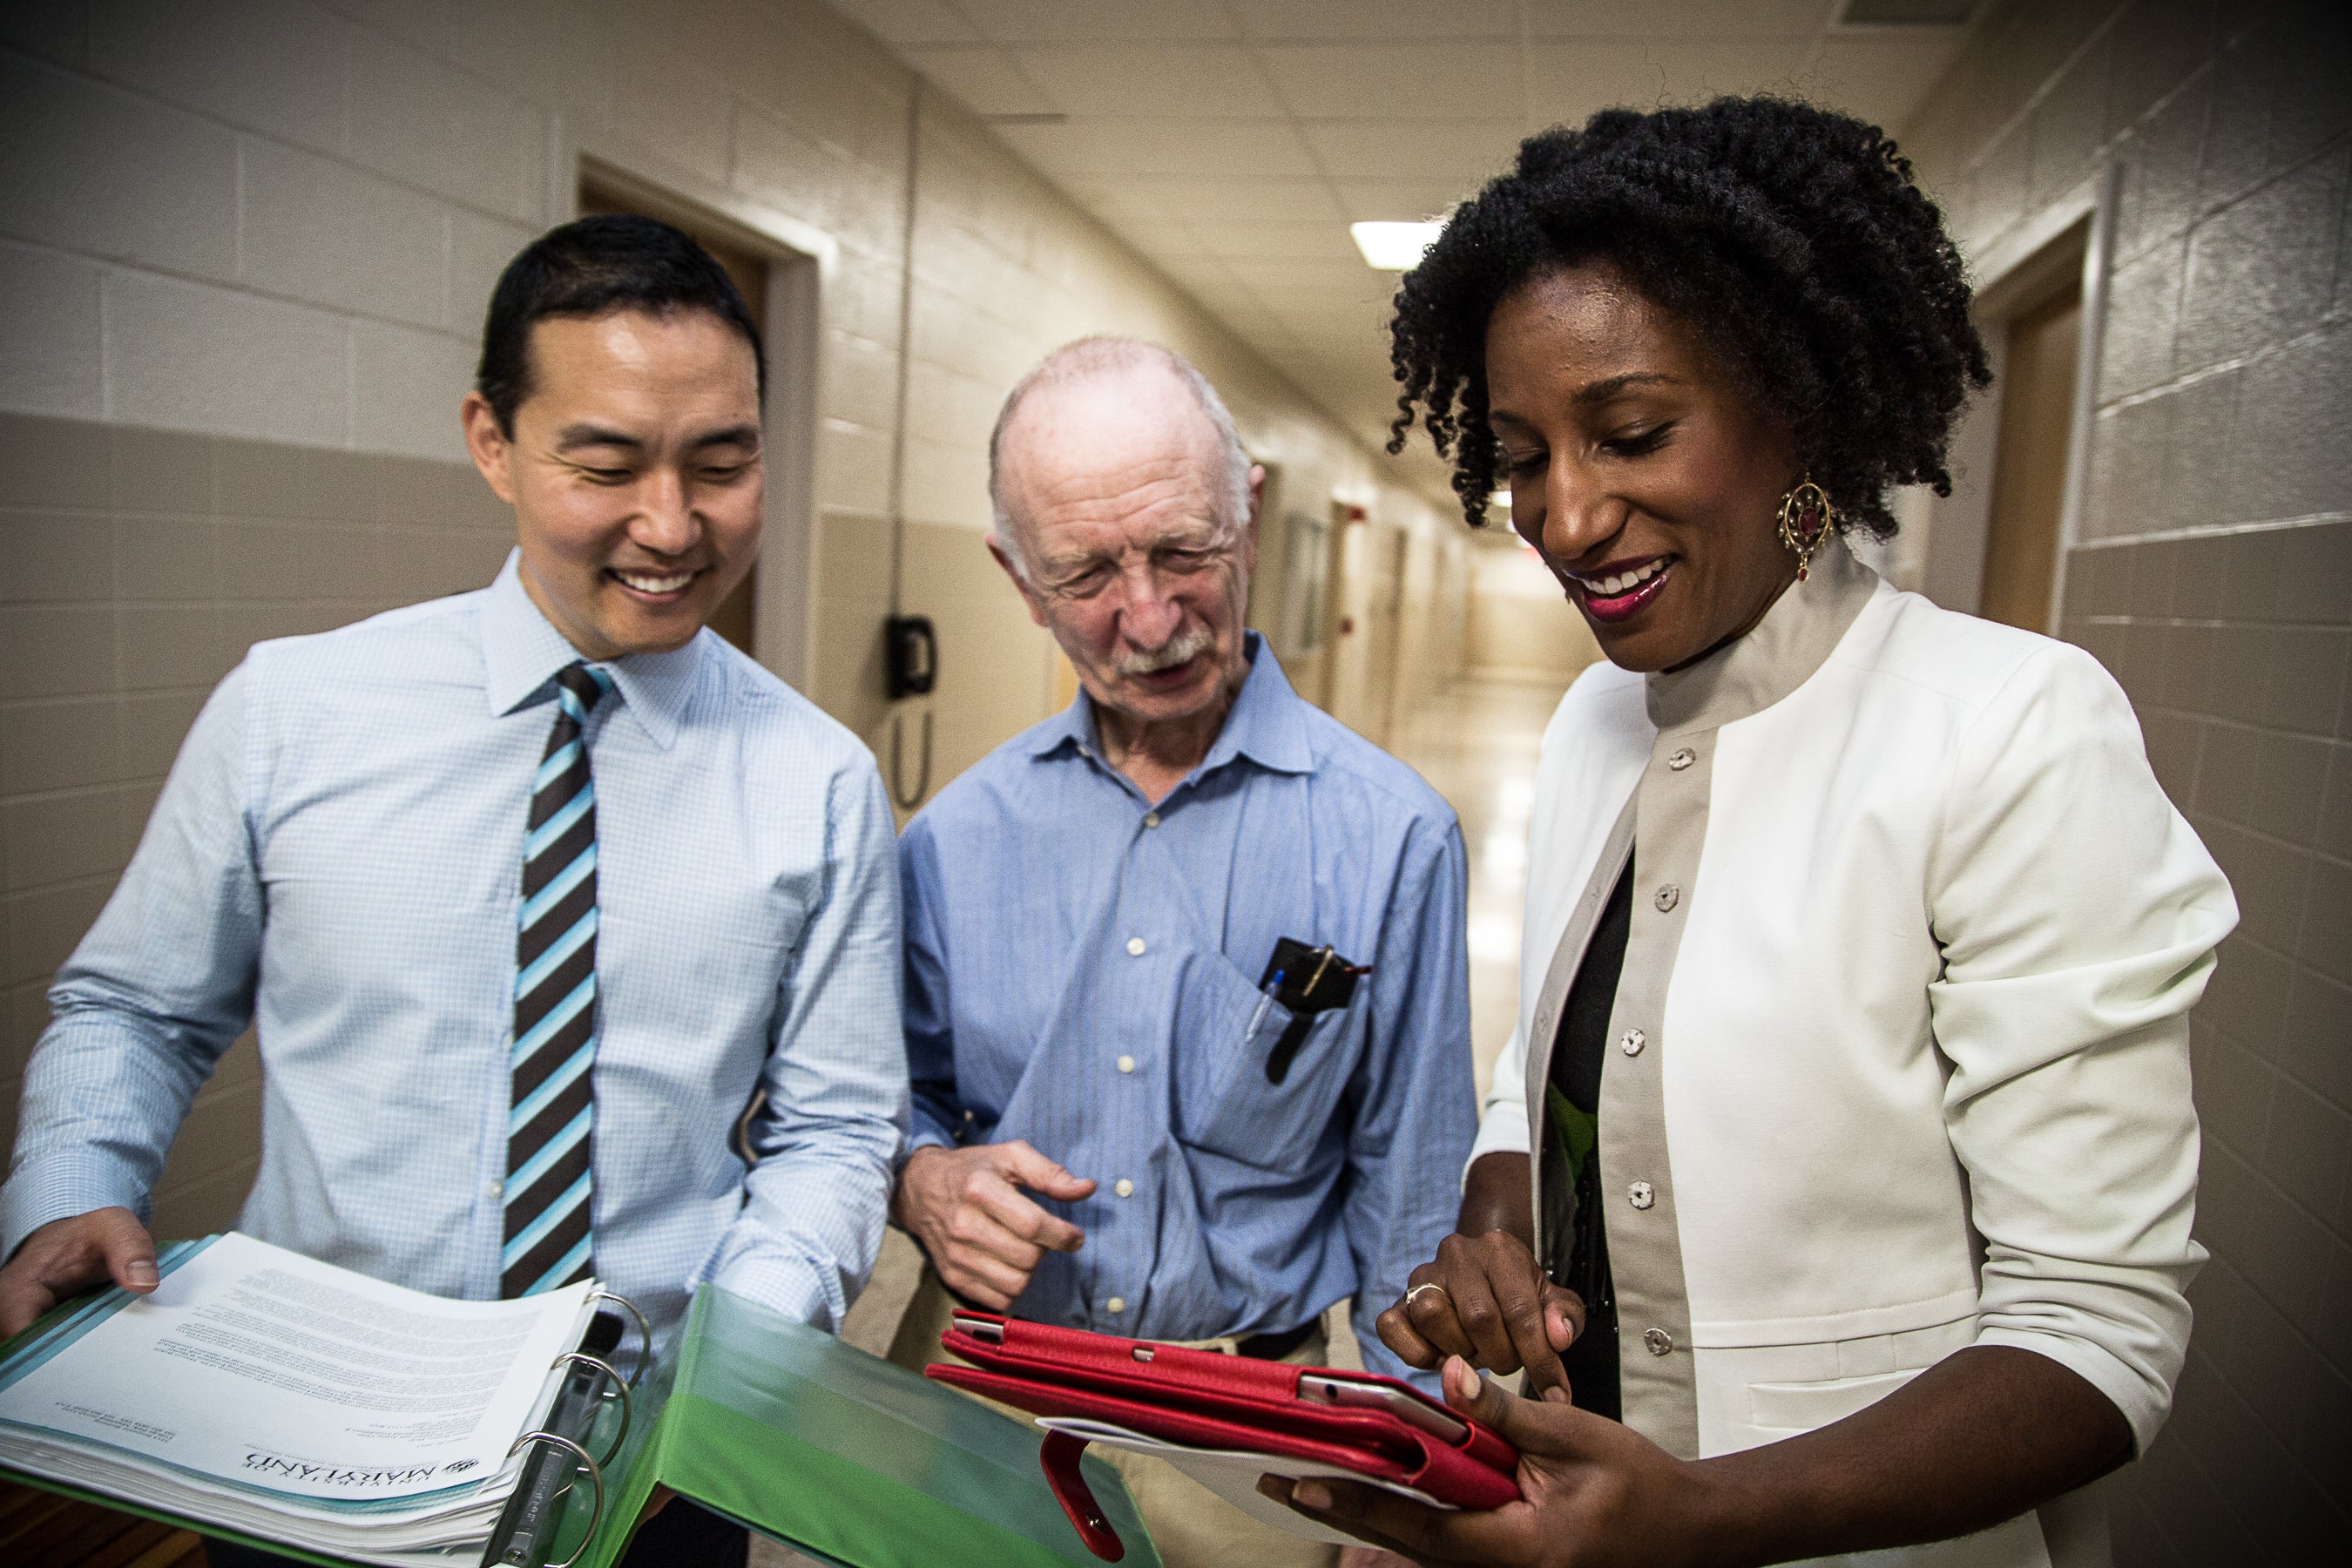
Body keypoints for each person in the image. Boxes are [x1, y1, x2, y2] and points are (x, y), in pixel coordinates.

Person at [1260, 99, 2236, 1568]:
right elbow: (1540, 1095)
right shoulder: (1595, 726)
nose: (1567, 517)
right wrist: (1499, 1238)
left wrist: (1702, 1519)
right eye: (1523, 456)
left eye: (1633, 432)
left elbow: (2096, 1332)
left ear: (1804, 409)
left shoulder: (2008, 729)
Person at [0, 215, 908, 1567]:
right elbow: (135, 1006)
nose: (673, 525)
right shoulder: (291, 714)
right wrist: (74, 1178)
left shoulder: (822, 783)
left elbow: (834, 1129)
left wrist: (735, 1364)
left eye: (724, 463)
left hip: (642, 1459)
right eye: (605, 464)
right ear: (493, 441)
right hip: (298, 1439)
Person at [887, 336, 1474, 1568]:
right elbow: (885, 1107)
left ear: (1249, 514)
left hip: (1250, 1444)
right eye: (1088, 572)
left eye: (1183, 551)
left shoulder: (1392, 837)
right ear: (1018, 577)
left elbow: (1408, 1188)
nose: (1148, 618)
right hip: (982, 1406)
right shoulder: (946, 845)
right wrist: (923, 1180)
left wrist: (1407, 1475)